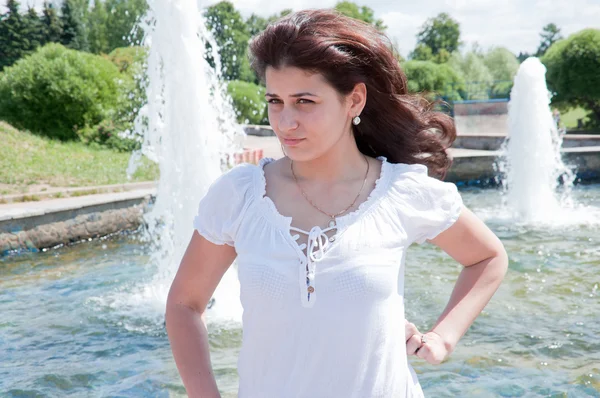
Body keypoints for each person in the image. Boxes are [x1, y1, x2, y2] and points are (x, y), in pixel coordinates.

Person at [165, 9, 508, 398]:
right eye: (275, 100)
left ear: (354, 101)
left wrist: (443, 337)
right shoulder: (240, 194)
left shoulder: (401, 191)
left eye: (305, 101)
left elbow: (487, 258)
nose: (284, 121)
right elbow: (183, 304)